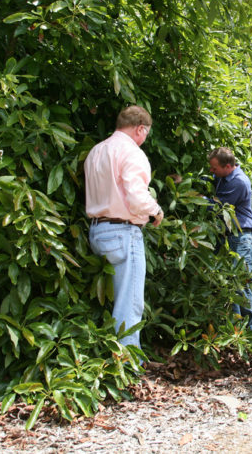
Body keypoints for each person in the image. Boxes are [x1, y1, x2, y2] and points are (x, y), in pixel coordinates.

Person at [85, 105, 164, 350]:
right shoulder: (131, 152)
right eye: (146, 134)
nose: (144, 140)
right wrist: (156, 210)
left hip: (97, 231)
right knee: (129, 303)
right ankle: (127, 367)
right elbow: (137, 196)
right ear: (140, 129)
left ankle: (110, 361)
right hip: (123, 233)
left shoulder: (96, 151)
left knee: (112, 303)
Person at [208, 147, 252, 365]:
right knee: (233, 292)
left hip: (242, 240)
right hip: (231, 238)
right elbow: (211, 181)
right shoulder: (224, 176)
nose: (212, 171)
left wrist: (192, 196)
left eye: (215, 168)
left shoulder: (238, 182)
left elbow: (214, 206)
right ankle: (243, 346)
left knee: (244, 292)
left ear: (227, 166)